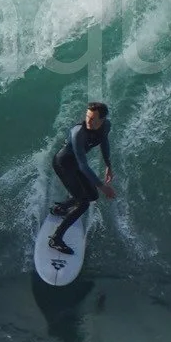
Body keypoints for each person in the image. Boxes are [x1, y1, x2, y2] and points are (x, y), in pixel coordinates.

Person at [46, 101, 116, 255]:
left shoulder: (106, 126)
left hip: (76, 164)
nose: (88, 121)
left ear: (102, 120)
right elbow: (84, 166)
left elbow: (104, 141)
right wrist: (103, 186)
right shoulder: (78, 132)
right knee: (83, 203)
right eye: (87, 117)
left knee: (93, 195)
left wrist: (108, 165)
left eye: (93, 119)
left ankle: (60, 208)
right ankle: (55, 239)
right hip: (63, 164)